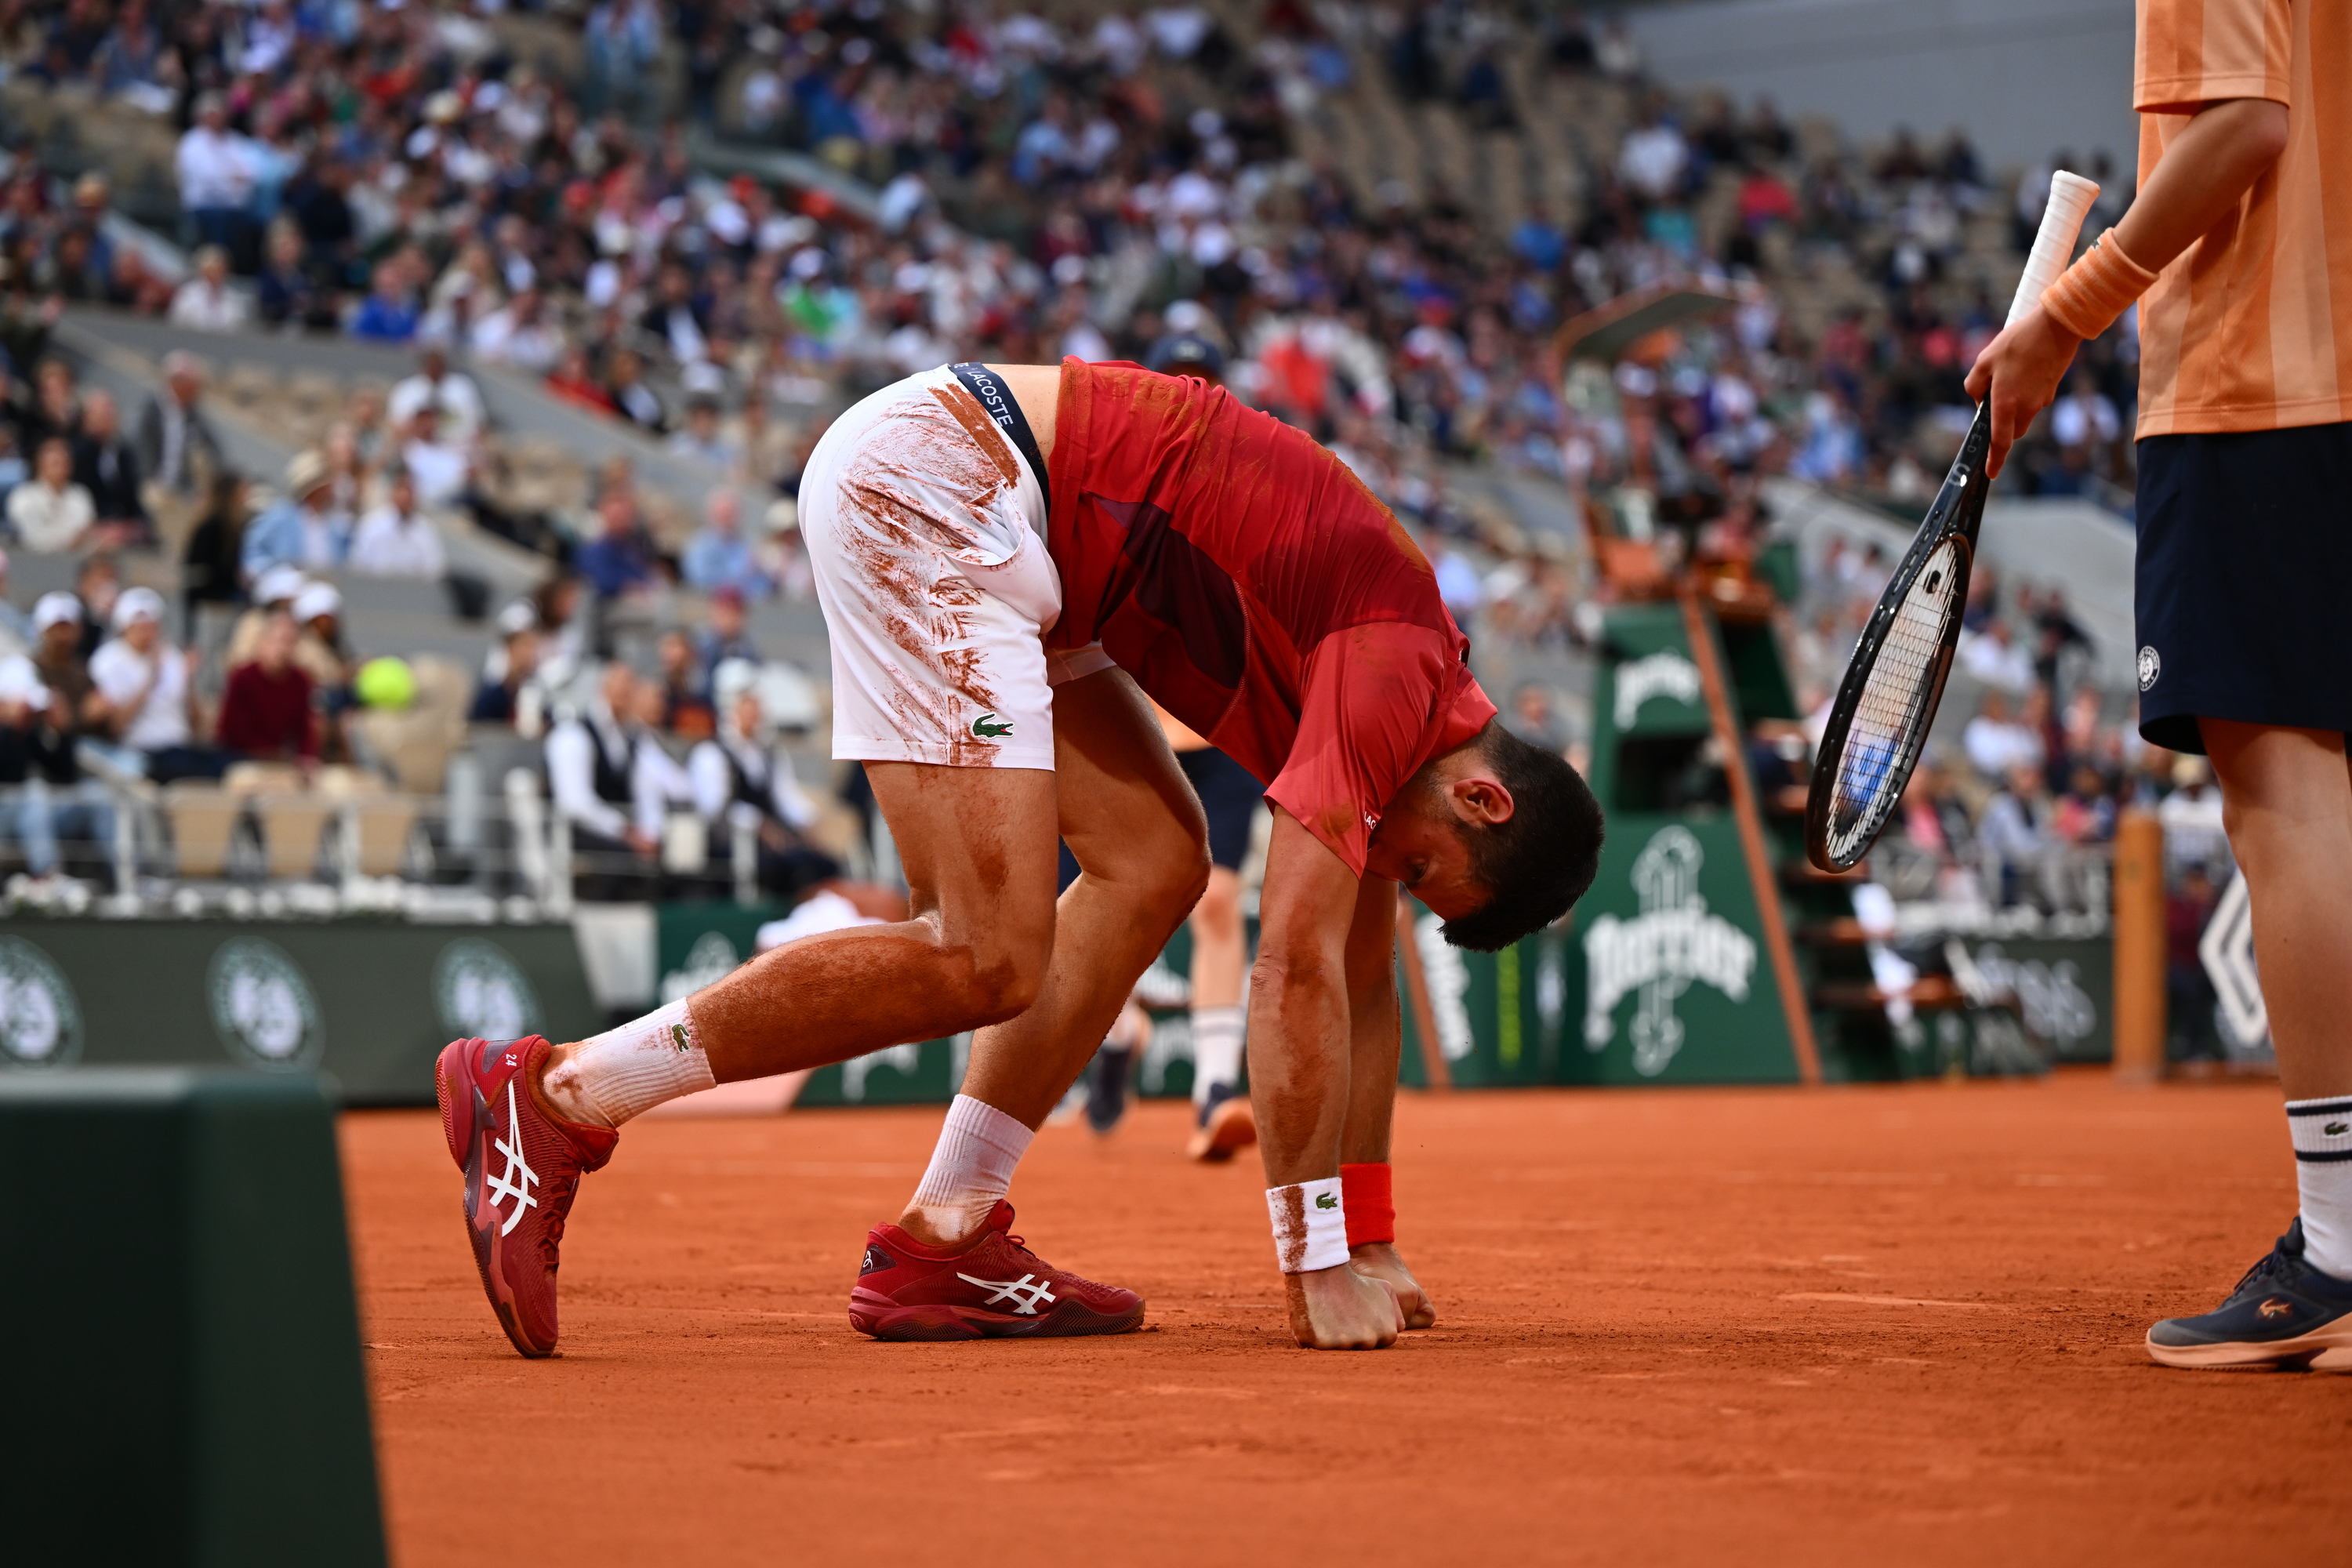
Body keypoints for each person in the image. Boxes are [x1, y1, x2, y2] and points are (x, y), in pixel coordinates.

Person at [435, 358, 1604, 1359]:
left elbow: (1359, 972)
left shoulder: (1421, 702)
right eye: (1415, 871)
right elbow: (1292, 968)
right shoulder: (1398, 676)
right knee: (984, 953)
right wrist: (1313, 1265)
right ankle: (557, 1094)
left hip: (1026, 544)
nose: (1386, 881)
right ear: (1484, 798)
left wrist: (1373, 1232)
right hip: (946, 489)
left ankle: (944, 1234)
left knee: (1153, 863)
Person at [1965, 0, 2352, 1370]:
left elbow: (2245, 125)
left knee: (2286, 786)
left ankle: (2344, 1244)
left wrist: (2065, 314)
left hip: (2273, 385)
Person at [688, 662, 839, 900]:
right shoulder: (710, 754)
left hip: (774, 842)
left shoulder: (770, 754)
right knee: (777, 866)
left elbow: (786, 799)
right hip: (732, 845)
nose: (754, 712)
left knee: (824, 864)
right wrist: (758, 824)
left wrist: (811, 824)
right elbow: (713, 808)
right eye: (746, 705)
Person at [86, 587, 220, 782]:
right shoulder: (107, 661)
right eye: (141, 626)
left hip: (181, 747)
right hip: (141, 752)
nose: (148, 632)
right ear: (125, 626)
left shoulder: (171, 655)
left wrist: (189, 681)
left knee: (229, 764)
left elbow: (196, 725)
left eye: (152, 625)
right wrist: (151, 680)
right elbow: (115, 728)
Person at [216, 609, 315, 768]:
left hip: (280, 759)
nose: (283, 649)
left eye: (290, 642)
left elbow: (304, 729)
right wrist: (270, 754)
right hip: (241, 758)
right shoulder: (243, 677)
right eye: (279, 640)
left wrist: (306, 757)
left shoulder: (301, 681)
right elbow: (231, 730)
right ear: (263, 641)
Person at [240, 451, 350, 579]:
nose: (334, 489)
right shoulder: (281, 515)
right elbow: (252, 549)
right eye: (329, 484)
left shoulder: (335, 526)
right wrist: (268, 572)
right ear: (316, 489)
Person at [134, 352, 223, 505]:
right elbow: (142, 449)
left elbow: (214, 449)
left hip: (183, 489)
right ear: (177, 383)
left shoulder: (194, 416)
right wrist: (150, 479)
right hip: (153, 484)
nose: (197, 392)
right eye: (193, 385)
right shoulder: (152, 410)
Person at [71, 391, 150, 550]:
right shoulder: (76, 452)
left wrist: (139, 522)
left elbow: (132, 494)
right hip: (89, 522)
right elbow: (80, 494)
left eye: (109, 414)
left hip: (120, 524)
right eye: (100, 415)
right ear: (86, 419)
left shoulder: (123, 453)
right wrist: (105, 523)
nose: (105, 420)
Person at [349, 468, 447, 579]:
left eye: (410, 490)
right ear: (392, 491)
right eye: (401, 489)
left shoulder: (426, 530)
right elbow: (358, 566)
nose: (406, 495)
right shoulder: (370, 525)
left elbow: (434, 571)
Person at [5, 437, 93, 554]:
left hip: (75, 562)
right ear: (39, 464)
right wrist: (70, 540)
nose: (61, 469)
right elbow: (31, 538)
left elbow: (87, 533)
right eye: (55, 463)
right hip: (34, 563)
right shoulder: (22, 497)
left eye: (65, 463)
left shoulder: (80, 495)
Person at [387, 344, 485, 445]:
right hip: (415, 445)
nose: (434, 367)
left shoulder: (462, 386)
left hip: (457, 445)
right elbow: (397, 423)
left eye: (438, 363)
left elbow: (477, 421)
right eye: (430, 363)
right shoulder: (405, 389)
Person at [168, 245, 249, 333]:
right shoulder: (187, 293)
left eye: (220, 270)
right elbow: (177, 321)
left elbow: (238, 327)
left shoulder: (233, 297)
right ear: (202, 270)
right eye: (211, 270)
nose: (215, 275)